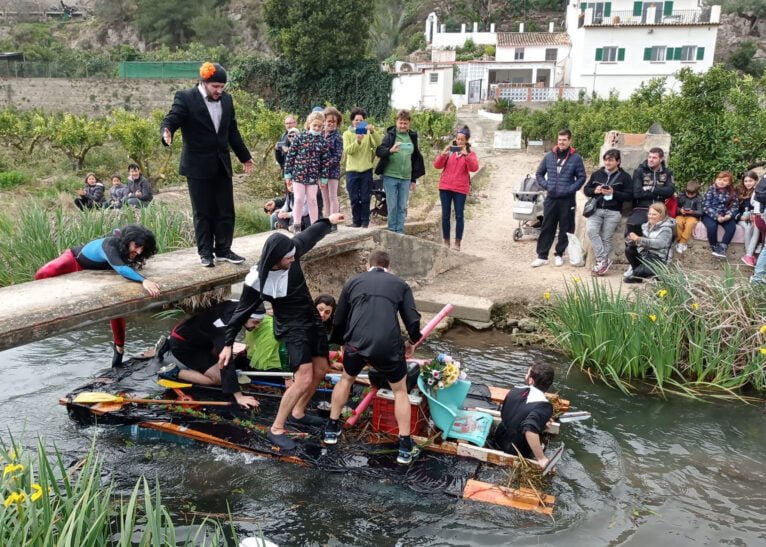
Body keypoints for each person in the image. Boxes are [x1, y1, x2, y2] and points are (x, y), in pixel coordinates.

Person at [218, 214, 346, 450]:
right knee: (304, 377)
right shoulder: (257, 280)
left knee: (321, 369)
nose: (293, 260)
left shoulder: (292, 251)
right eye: (288, 258)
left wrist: (328, 221)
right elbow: (240, 312)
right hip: (291, 326)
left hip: (312, 319)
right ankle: (276, 428)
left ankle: (298, 412)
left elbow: (310, 235)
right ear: (275, 259)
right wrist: (227, 344)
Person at [323, 250, 423, 465]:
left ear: (367, 264)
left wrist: (340, 343)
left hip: (356, 343)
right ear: (389, 266)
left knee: (346, 380)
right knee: (400, 391)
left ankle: (332, 428)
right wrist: (412, 342)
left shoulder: (353, 281)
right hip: (388, 345)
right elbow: (412, 319)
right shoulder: (400, 284)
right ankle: (405, 446)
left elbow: (339, 318)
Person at [161, 61, 253, 268]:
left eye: (222, 87)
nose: (219, 91)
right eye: (215, 87)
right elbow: (172, 119)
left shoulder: (227, 100)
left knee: (226, 210)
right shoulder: (185, 97)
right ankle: (205, 253)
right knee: (202, 211)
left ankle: (223, 249)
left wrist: (244, 156)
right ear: (204, 82)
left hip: (221, 163)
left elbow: (232, 131)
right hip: (197, 165)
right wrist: (167, 131)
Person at [34, 224, 161, 367]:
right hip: (75, 260)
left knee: (116, 306)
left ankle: (119, 350)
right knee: (46, 271)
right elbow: (120, 268)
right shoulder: (110, 244)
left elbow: (122, 266)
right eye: (136, 246)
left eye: (142, 248)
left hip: (104, 274)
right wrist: (143, 280)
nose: (138, 251)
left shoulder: (132, 251)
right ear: (127, 240)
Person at [159, 300, 261, 408]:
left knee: (221, 362)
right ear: (245, 316)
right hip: (185, 345)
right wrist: (239, 396)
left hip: (197, 335)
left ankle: (167, 344)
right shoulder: (223, 327)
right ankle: (174, 372)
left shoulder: (237, 305)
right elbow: (226, 361)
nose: (257, 326)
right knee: (219, 379)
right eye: (255, 322)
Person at [530, 129, 587, 268]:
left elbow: (582, 177)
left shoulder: (576, 158)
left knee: (565, 228)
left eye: (564, 140)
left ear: (569, 141)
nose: (561, 142)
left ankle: (559, 254)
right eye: (559, 139)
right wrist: (547, 186)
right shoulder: (550, 156)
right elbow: (539, 174)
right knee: (547, 226)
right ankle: (542, 256)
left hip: (567, 200)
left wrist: (570, 189)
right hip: (551, 198)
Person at [492, 363, 555, 467]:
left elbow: (512, 413)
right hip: (517, 449)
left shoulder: (515, 390)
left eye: (527, 374)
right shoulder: (544, 406)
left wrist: (542, 419)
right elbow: (530, 429)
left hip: (498, 437)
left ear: (531, 380)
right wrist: (541, 458)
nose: (525, 376)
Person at [582, 148, 632, 275]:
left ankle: (601, 264)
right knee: (591, 231)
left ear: (618, 161)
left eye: (610, 160)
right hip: (596, 209)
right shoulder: (597, 174)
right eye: (605, 160)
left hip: (613, 211)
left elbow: (630, 196)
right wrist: (595, 190)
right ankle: (603, 260)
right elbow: (586, 189)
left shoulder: (625, 177)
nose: (607, 163)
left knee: (606, 237)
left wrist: (614, 193)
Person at [375, 109, 426, 234]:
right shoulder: (390, 136)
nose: (403, 125)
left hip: (406, 177)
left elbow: (414, 158)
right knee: (392, 206)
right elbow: (379, 151)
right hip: (390, 176)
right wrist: (390, 150)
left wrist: (413, 179)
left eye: (405, 123)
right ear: (396, 122)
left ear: (409, 123)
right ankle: (392, 231)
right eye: (400, 123)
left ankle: (400, 231)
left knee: (402, 206)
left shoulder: (412, 137)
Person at [434, 125, 479, 251]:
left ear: (466, 141)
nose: (459, 141)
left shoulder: (470, 153)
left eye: (462, 139)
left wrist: (467, 155)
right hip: (445, 187)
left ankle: (457, 242)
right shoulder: (449, 152)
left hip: (460, 189)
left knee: (459, 215)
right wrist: (443, 154)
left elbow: (474, 168)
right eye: (458, 139)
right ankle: (446, 241)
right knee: (445, 215)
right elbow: (437, 166)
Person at [284, 111, 330, 232]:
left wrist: (323, 178)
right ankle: (296, 225)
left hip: (312, 177)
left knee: (312, 200)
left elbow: (325, 162)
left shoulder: (323, 142)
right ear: (309, 124)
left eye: (320, 126)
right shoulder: (300, 138)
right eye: (315, 125)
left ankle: (314, 227)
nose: (317, 128)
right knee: (298, 199)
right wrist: (288, 175)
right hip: (298, 175)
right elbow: (290, 156)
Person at [344, 108, 381, 228]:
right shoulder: (347, 134)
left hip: (366, 170)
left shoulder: (368, 133)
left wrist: (373, 131)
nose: (358, 122)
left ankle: (365, 222)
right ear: (352, 121)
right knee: (354, 197)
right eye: (356, 120)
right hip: (352, 170)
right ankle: (356, 221)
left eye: (361, 120)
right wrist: (357, 141)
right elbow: (348, 151)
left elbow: (379, 144)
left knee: (365, 197)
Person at [628, 147, 674, 236]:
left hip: (660, 208)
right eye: (649, 157)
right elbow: (637, 193)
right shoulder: (639, 171)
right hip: (642, 207)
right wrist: (660, 192)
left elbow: (670, 191)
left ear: (661, 159)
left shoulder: (667, 172)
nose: (651, 160)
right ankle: (633, 249)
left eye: (654, 158)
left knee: (669, 229)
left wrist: (652, 188)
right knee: (632, 227)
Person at [624, 202, 675, 283]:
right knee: (629, 250)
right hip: (645, 255)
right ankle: (637, 272)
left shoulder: (666, 229)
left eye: (654, 214)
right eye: (649, 214)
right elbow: (640, 242)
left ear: (661, 215)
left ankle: (658, 273)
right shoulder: (645, 226)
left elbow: (660, 244)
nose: (651, 216)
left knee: (634, 275)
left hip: (658, 259)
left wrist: (639, 239)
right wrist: (631, 240)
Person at [701, 171, 738, 259]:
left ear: (729, 183)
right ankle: (714, 246)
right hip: (710, 214)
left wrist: (729, 216)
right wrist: (716, 216)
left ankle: (722, 247)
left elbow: (735, 206)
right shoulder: (711, 190)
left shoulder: (732, 192)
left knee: (732, 227)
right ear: (715, 180)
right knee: (712, 227)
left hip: (725, 215)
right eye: (719, 179)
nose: (721, 182)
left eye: (725, 180)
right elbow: (706, 205)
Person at [322, 107, 344, 230]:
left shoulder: (338, 137)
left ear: (337, 123)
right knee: (325, 197)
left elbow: (337, 156)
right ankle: (327, 221)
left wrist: (325, 164)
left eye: (333, 121)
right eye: (328, 121)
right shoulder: (320, 134)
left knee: (332, 196)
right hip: (322, 172)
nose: (330, 123)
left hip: (332, 170)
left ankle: (333, 223)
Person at [736, 172, 760, 267]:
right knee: (747, 227)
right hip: (741, 218)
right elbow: (733, 208)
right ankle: (749, 254)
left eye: (750, 181)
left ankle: (749, 255)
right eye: (746, 181)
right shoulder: (739, 191)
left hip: (753, 217)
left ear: (756, 181)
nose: (748, 183)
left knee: (755, 227)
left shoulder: (758, 192)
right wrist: (740, 217)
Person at [674, 180, 703, 254]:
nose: (689, 195)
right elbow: (675, 207)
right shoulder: (681, 195)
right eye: (688, 193)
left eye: (692, 194)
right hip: (681, 215)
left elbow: (701, 212)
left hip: (692, 217)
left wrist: (693, 212)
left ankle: (682, 243)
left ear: (696, 192)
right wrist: (680, 210)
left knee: (689, 224)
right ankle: (678, 240)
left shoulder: (699, 198)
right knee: (677, 222)